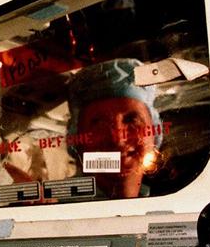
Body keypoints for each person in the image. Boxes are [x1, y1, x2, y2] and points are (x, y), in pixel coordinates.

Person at [65, 57, 163, 199]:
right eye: (99, 125)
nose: (118, 140)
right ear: (76, 141)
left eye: (132, 121)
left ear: (155, 131)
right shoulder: (50, 207)